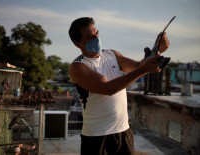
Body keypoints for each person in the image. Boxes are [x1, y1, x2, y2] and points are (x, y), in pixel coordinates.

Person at [68, 17, 169, 155]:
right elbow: (108, 89)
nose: (96, 38)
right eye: (90, 37)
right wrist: (144, 69)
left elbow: (138, 66)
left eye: (96, 33)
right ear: (77, 43)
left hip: (124, 132)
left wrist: (157, 50)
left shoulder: (111, 54)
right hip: (96, 137)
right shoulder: (78, 66)